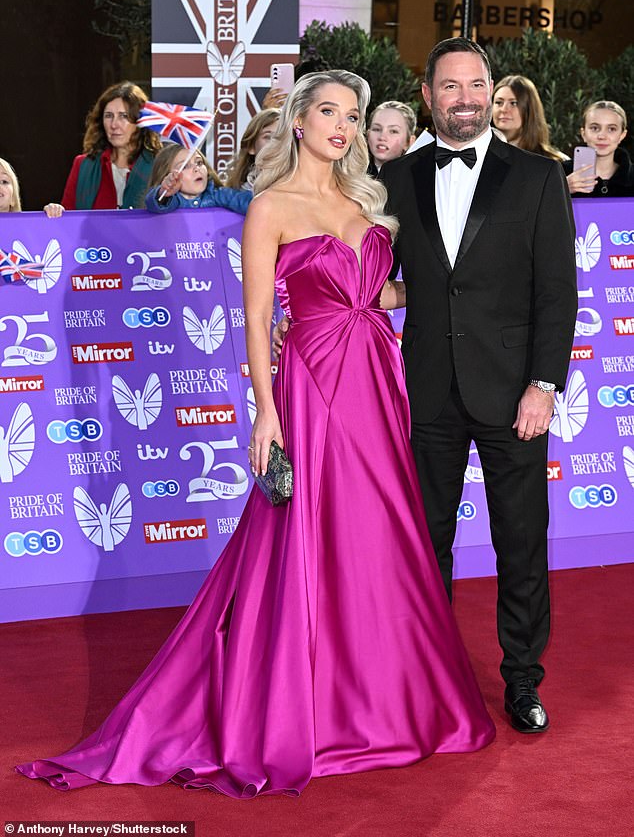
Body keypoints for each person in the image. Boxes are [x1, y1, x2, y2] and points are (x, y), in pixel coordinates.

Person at [17, 69, 494, 798]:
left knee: (378, 538)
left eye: (353, 114)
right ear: (297, 122)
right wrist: (265, 413)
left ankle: (383, 700)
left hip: (376, 383)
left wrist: (443, 282)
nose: (343, 125)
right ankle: (306, 707)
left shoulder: (369, 201)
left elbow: (384, 293)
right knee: (307, 536)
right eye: (329, 111)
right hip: (311, 388)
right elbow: (258, 319)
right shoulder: (269, 206)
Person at [380, 39, 577, 734]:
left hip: (513, 393)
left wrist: (543, 384)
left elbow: (557, 292)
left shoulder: (535, 175)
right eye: (451, 86)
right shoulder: (396, 177)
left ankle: (522, 681)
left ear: (491, 92)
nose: (465, 98)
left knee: (520, 542)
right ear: (428, 94)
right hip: (430, 390)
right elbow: (391, 278)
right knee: (424, 544)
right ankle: (426, 679)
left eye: (476, 85)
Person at [60, 81, 162, 210]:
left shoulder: (158, 165)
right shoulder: (83, 165)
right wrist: (55, 211)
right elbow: (67, 219)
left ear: (140, 121)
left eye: (123, 116)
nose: (114, 125)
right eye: (108, 116)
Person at [145, 143, 252, 215]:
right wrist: (163, 192)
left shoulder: (218, 195)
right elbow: (154, 205)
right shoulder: (172, 200)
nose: (196, 168)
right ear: (166, 176)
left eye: (199, 162)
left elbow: (251, 204)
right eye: (185, 166)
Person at [564, 100, 634, 197]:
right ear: (583, 133)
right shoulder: (560, 173)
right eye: (595, 128)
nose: (602, 136)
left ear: (622, 135)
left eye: (611, 129)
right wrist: (561, 189)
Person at [492, 75, 567, 161]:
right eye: (498, 102)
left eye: (513, 103)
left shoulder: (555, 162)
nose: (504, 109)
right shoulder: (478, 154)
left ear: (529, 109)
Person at [223, 108, 280, 189]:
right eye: (268, 137)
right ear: (251, 147)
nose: (275, 144)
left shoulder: (302, 189)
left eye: (282, 137)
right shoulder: (233, 196)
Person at [366, 100, 417, 175]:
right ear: (368, 134)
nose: (382, 137)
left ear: (409, 141)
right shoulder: (350, 174)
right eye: (376, 129)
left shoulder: (418, 179)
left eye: (393, 131)